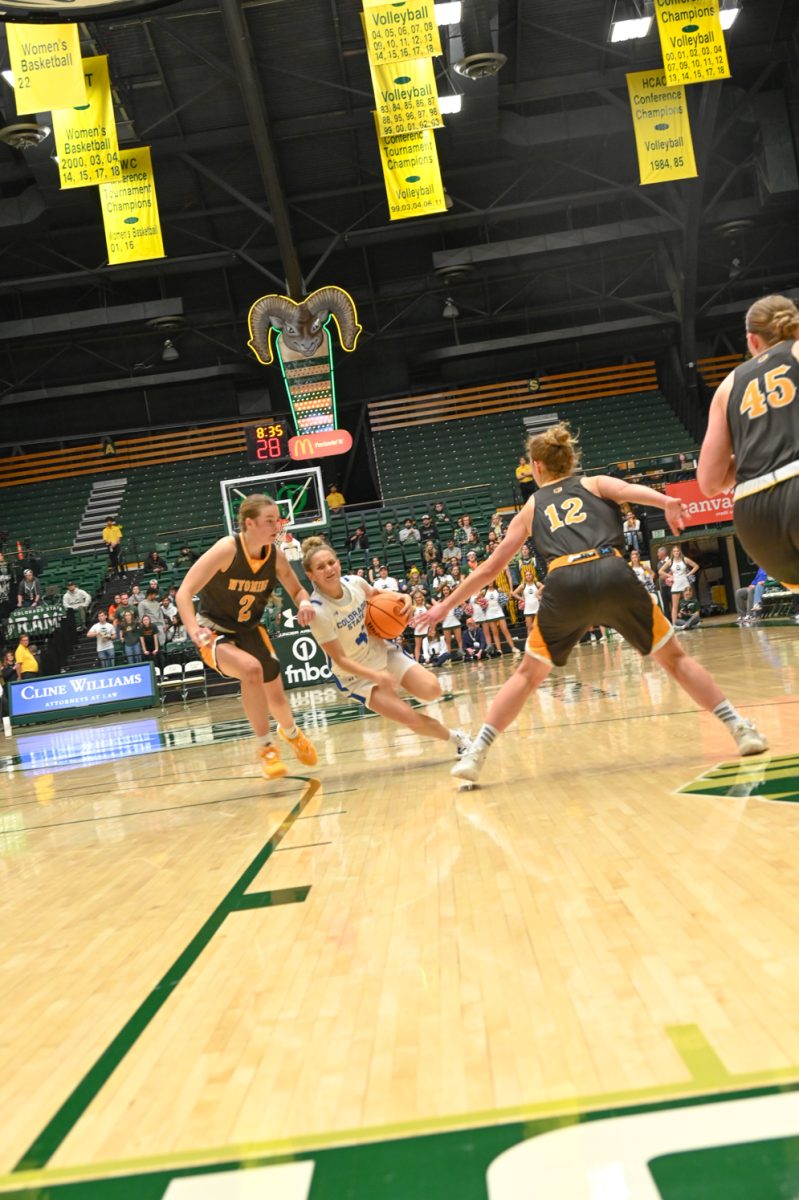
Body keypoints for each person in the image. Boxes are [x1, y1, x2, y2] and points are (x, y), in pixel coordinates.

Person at [418, 422, 768, 783]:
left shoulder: (531, 506)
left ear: (536, 466)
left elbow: (492, 567)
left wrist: (444, 606)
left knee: (526, 676)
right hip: (611, 570)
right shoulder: (594, 483)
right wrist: (666, 501)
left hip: (565, 581)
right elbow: (630, 489)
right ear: (569, 460)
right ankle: (741, 729)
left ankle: (476, 754)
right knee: (676, 660)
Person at [176, 492, 317, 780]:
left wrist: (304, 602)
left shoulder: (275, 556)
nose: (276, 525)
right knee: (250, 670)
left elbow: (297, 589)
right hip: (215, 630)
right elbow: (183, 592)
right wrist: (193, 630)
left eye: (277, 520)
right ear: (249, 524)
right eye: (269, 521)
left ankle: (290, 733)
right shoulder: (227, 549)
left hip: (251, 629)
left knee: (277, 696)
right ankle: (266, 748)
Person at [301, 537, 470, 755]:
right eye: (320, 567)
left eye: (331, 562)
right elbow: (340, 659)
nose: (329, 569)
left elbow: (378, 595)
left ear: (338, 562)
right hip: (355, 676)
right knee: (409, 717)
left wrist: (404, 597)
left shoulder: (355, 583)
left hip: (380, 650)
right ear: (311, 575)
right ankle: (458, 740)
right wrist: (376, 676)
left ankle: (408, 691)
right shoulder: (319, 612)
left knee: (432, 689)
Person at [698, 295, 799, 584]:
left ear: (752, 341)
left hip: (754, 517)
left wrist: (756, 457)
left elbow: (709, 482)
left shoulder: (727, 386)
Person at [661, 545, 699, 625]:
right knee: (675, 606)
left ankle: (692, 621)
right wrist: (670, 576)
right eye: (674, 551)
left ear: (680, 552)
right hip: (676, 585)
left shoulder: (684, 559)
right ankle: (675, 624)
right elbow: (660, 571)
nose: (676, 552)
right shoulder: (670, 561)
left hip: (685, 584)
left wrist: (688, 574)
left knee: (689, 602)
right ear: (672, 552)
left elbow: (696, 566)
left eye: (677, 551)